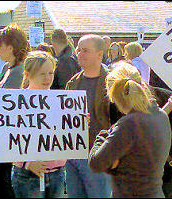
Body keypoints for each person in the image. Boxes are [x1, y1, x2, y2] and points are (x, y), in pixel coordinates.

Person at [88, 61, 172, 197]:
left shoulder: (128, 124)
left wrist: (103, 136)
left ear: (113, 95)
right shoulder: (160, 115)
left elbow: (96, 163)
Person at [65, 34, 117, 198]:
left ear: (100, 54)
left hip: (99, 156)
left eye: (86, 51)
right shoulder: (72, 83)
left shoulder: (114, 83)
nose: (80, 54)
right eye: (79, 50)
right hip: (73, 155)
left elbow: (123, 121)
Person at [12, 51, 67, 198]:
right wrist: (27, 163)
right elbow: (7, 138)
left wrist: (78, 123)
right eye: (42, 74)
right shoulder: (15, 101)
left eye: (51, 73)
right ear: (28, 74)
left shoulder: (61, 101)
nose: (48, 78)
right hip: (28, 175)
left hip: (57, 173)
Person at [0, 23, 30, 199]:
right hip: (2, 138)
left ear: (11, 46)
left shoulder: (19, 72)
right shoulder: (7, 68)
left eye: (0, 45)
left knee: (6, 187)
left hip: (11, 140)